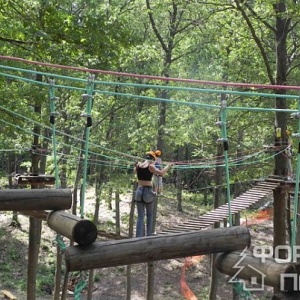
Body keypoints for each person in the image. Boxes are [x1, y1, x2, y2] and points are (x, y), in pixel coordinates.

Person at [134, 150, 173, 237]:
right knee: (150, 215)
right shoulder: (151, 166)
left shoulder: (138, 165)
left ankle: (138, 237)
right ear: (153, 159)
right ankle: (149, 235)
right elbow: (161, 173)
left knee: (140, 216)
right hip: (148, 191)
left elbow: (135, 171)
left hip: (139, 191)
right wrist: (168, 166)